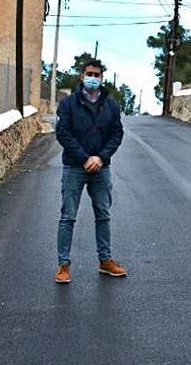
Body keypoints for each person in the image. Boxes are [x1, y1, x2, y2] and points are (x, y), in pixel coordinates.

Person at [54, 59, 126, 284]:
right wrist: (85, 158)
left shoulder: (111, 106)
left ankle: (105, 261)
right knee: (68, 217)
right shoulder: (68, 104)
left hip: (101, 168)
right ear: (81, 76)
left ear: (102, 77)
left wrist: (101, 158)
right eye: (89, 73)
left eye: (97, 74)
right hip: (75, 167)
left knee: (103, 214)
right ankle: (63, 264)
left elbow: (117, 134)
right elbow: (63, 133)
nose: (93, 78)